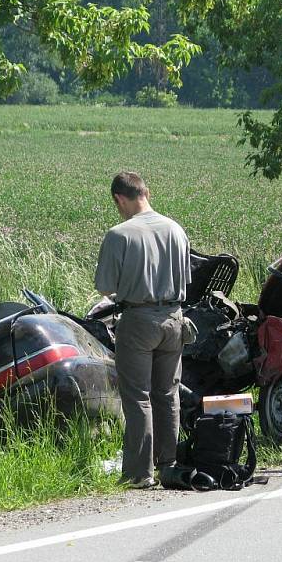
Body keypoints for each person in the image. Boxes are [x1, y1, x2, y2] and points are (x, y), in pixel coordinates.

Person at [94, 171, 191, 488]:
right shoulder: (176, 229)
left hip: (138, 321)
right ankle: (169, 465)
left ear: (120, 199)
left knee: (138, 397)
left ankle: (139, 473)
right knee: (167, 394)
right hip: (174, 319)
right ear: (145, 193)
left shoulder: (119, 235)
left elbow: (105, 288)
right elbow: (187, 280)